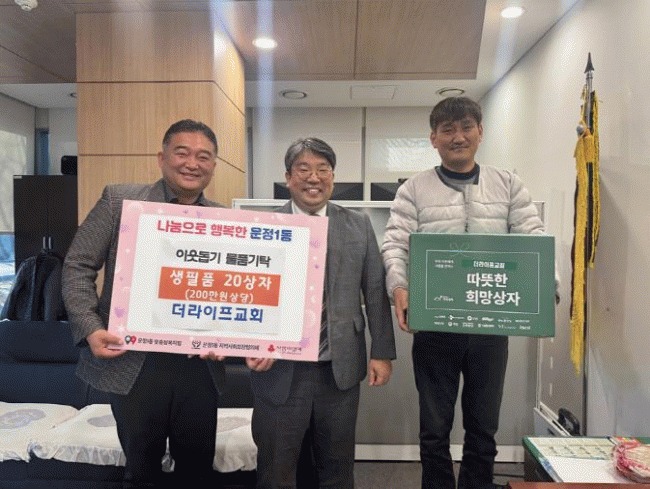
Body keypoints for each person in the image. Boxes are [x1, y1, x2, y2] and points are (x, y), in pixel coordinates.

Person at [382, 97, 548, 489]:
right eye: (448, 130)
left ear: (480, 132)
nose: (458, 137)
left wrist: (543, 293)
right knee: (434, 430)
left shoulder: (508, 184)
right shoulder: (413, 189)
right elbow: (394, 244)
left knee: (483, 428)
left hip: (490, 328)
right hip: (434, 328)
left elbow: (534, 240)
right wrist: (399, 287)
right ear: (433, 139)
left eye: (466, 127)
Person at [62, 119, 225, 488]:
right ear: (162, 158)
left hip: (199, 368)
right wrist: (91, 327)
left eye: (203, 157)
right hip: (135, 363)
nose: (192, 163)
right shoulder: (120, 201)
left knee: (197, 474)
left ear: (213, 166)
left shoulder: (223, 219)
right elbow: (77, 265)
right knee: (141, 473)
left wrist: (230, 337)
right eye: (182, 153)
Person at [246, 137, 397, 489]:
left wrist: (382, 352)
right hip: (280, 369)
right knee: (276, 468)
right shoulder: (263, 225)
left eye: (323, 169)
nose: (314, 178)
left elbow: (375, 291)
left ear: (332, 176)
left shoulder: (358, 224)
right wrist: (250, 344)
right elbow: (247, 293)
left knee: (337, 469)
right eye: (303, 169)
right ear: (288, 177)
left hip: (339, 368)